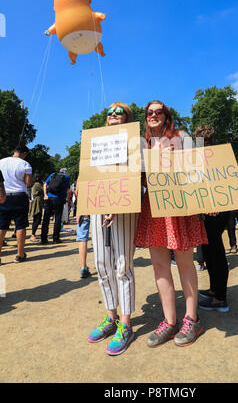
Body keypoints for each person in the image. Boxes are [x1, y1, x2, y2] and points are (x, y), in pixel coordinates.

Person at [135, 101, 208, 347]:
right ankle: (169, 321)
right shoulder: (141, 146)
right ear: (146, 118)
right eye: (149, 112)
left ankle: (191, 319)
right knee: (159, 266)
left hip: (179, 208)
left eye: (159, 112)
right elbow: (138, 182)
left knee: (186, 265)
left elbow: (198, 170)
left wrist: (207, 197)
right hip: (153, 209)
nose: (153, 115)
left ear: (167, 116)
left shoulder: (182, 137)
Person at [88, 102, 138, 356]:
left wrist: (118, 202)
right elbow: (87, 174)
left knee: (122, 266)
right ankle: (111, 317)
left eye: (119, 112)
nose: (113, 115)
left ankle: (126, 325)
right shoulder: (95, 142)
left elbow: (136, 175)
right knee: (101, 264)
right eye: (109, 112)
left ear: (127, 118)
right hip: (98, 207)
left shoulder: (134, 143)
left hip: (124, 208)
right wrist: (82, 207)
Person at [193, 124, 230, 312]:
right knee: (209, 251)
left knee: (215, 253)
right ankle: (215, 290)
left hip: (216, 210)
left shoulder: (215, 156)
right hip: (210, 210)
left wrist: (215, 204)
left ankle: (220, 298)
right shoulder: (207, 156)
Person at [0, 145, 32, 263]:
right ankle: (19, 254)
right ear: (24, 153)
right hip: (19, 196)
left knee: (2, 226)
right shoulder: (25, 164)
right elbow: (28, 183)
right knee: (20, 225)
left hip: (3, 196)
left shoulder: (1, 162)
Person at [40, 168, 70, 244]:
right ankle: (55, 239)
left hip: (49, 198)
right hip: (59, 199)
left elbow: (45, 184)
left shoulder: (52, 174)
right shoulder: (66, 177)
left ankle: (43, 238)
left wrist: (45, 195)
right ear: (65, 172)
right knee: (57, 218)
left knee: (46, 218)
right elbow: (67, 189)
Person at [75, 181, 91, 279]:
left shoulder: (83, 172)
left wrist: (79, 210)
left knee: (82, 238)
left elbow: (78, 191)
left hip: (84, 206)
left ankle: (83, 267)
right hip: (100, 205)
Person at [29, 173, 44, 242]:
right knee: (37, 220)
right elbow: (44, 190)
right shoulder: (37, 184)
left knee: (37, 219)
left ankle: (33, 234)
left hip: (37, 202)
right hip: (37, 203)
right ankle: (32, 235)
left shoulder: (35, 184)